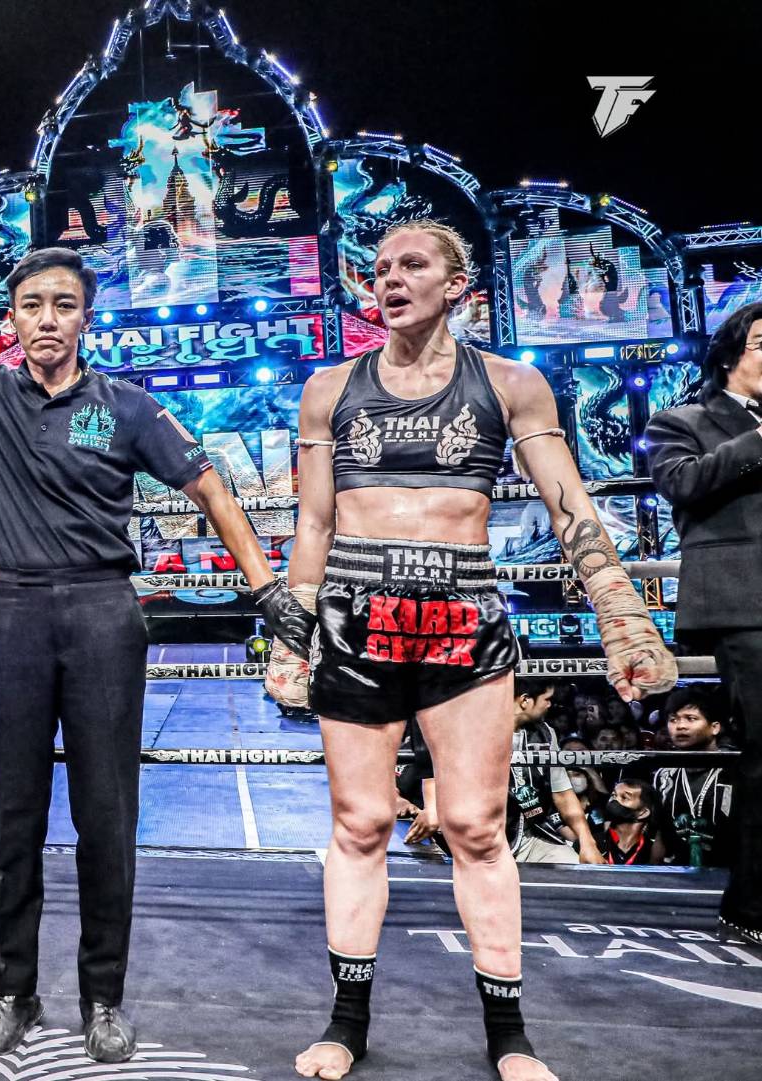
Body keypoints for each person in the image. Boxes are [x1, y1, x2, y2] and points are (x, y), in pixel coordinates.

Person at [0, 246, 299, 1063]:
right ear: (12, 317)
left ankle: (103, 999)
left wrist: (266, 589)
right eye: (32, 305)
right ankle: (11, 990)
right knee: (12, 813)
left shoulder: (126, 405)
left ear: (86, 316)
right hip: (10, 610)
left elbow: (208, 487)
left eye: (62, 304)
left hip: (101, 613)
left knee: (106, 816)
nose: (46, 319)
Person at [284, 219, 675, 1081]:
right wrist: (290, 629)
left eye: (411, 264)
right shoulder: (328, 388)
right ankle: (345, 1024)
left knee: (473, 825)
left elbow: (568, 502)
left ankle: (509, 1035)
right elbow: (313, 522)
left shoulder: (509, 383)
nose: (389, 278)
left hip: (461, 624)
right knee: (360, 824)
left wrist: (617, 605)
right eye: (379, 268)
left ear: (455, 284)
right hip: (355, 623)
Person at [646, 301, 762, 945]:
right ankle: (751, 905)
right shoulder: (683, 421)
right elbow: (682, 484)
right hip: (746, 604)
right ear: (729, 356)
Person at [507, 679, 602, 865]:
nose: (550, 705)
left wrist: (587, 842)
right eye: (547, 699)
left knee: (577, 868)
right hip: (485, 838)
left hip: (530, 836)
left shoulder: (545, 734)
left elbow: (563, 794)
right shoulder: (479, 733)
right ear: (525, 700)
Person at [653, 688, 737, 868]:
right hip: (679, 872)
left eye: (691, 718)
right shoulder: (664, 776)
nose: (680, 726)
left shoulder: (736, 770)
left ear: (714, 727)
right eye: (673, 720)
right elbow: (661, 833)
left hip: (732, 871)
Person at [599, 779, 663, 865]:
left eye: (624, 797)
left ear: (643, 813)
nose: (614, 799)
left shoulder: (653, 852)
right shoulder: (592, 842)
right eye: (613, 795)